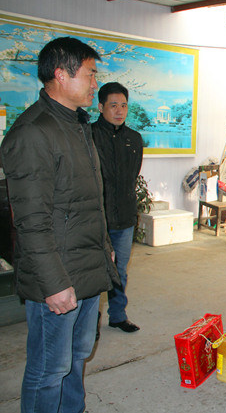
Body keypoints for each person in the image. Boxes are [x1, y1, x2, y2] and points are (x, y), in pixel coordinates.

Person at [1, 37, 119, 413]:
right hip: (57, 276)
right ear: (61, 75)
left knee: (77, 356)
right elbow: (30, 221)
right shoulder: (34, 132)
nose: (95, 83)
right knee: (49, 369)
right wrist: (53, 283)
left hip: (85, 266)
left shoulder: (76, 125)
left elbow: (86, 202)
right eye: (90, 74)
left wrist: (104, 248)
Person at [92, 82, 143, 334]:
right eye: (113, 105)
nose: (119, 110)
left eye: (123, 105)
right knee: (92, 273)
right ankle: (89, 322)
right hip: (95, 218)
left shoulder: (133, 139)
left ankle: (118, 316)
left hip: (123, 217)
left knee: (119, 270)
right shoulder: (88, 135)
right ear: (100, 107)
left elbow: (133, 175)